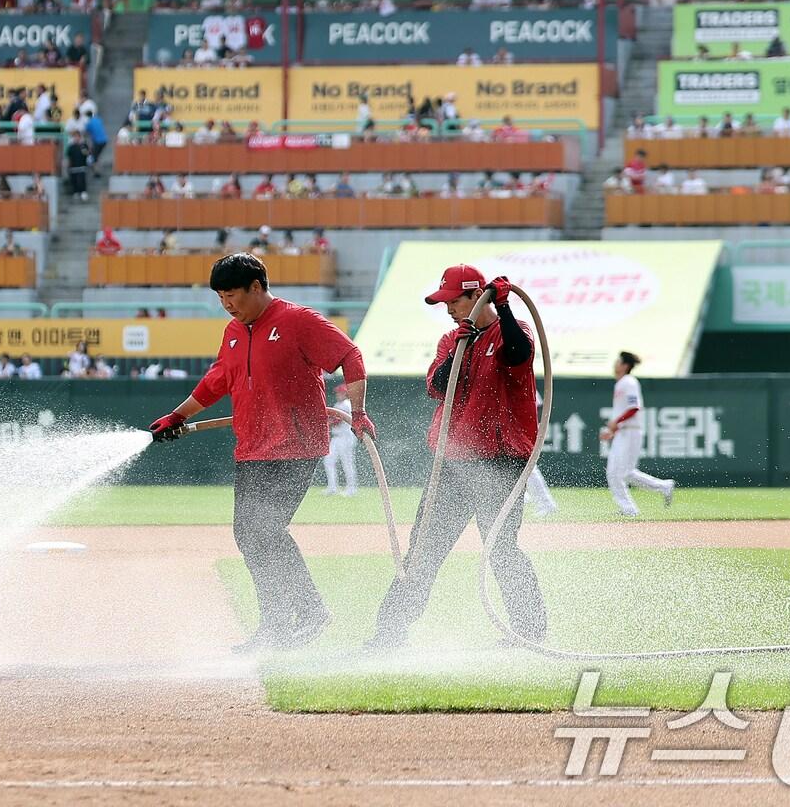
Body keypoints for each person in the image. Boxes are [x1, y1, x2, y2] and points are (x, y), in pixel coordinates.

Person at [148, 254, 373, 652]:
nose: (227, 305)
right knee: (249, 535)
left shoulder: (298, 320)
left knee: (264, 528)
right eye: (220, 297)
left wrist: (358, 412)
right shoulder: (233, 331)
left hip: (295, 445)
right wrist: (178, 415)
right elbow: (217, 381)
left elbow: (349, 356)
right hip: (252, 447)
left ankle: (310, 611)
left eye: (231, 295)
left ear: (256, 286)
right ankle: (275, 625)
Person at [364, 266, 547, 651]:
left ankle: (530, 631)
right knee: (423, 550)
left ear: (477, 296)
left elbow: (519, 355)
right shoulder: (452, 340)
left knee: (500, 548)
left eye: (454, 301)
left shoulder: (512, 331)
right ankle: (389, 632)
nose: (448, 309)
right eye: (444, 303)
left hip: (499, 462)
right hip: (453, 463)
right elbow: (437, 386)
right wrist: (458, 352)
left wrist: (504, 307)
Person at [601, 351, 676, 516]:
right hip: (623, 432)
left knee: (620, 472)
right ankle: (660, 489)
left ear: (625, 365)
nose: (615, 365)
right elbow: (625, 410)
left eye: (618, 362)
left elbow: (634, 408)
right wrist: (613, 429)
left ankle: (630, 508)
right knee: (618, 472)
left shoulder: (629, 382)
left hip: (631, 432)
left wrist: (616, 423)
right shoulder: (621, 383)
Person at [321, 384, 358, 497]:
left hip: (346, 437)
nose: (338, 394)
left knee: (347, 463)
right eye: (337, 392)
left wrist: (325, 422)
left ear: (346, 393)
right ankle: (332, 487)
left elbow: (337, 421)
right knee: (328, 460)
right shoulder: (338, 404)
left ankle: (351, 489)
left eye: (340, 392)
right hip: (336, 437)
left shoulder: (346, 404)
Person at [66, 131, 91, 201]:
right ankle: (75, 192)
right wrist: (68, 166)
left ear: (80, 137)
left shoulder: (84, 146)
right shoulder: (71, 147)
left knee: (81, 180)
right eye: (75, 137)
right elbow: (69, 157)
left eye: (77, 136)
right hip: (73, 167)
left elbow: (88, 154)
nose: (76, 138)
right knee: (74, 180)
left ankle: (83, 192)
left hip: (82, 166)